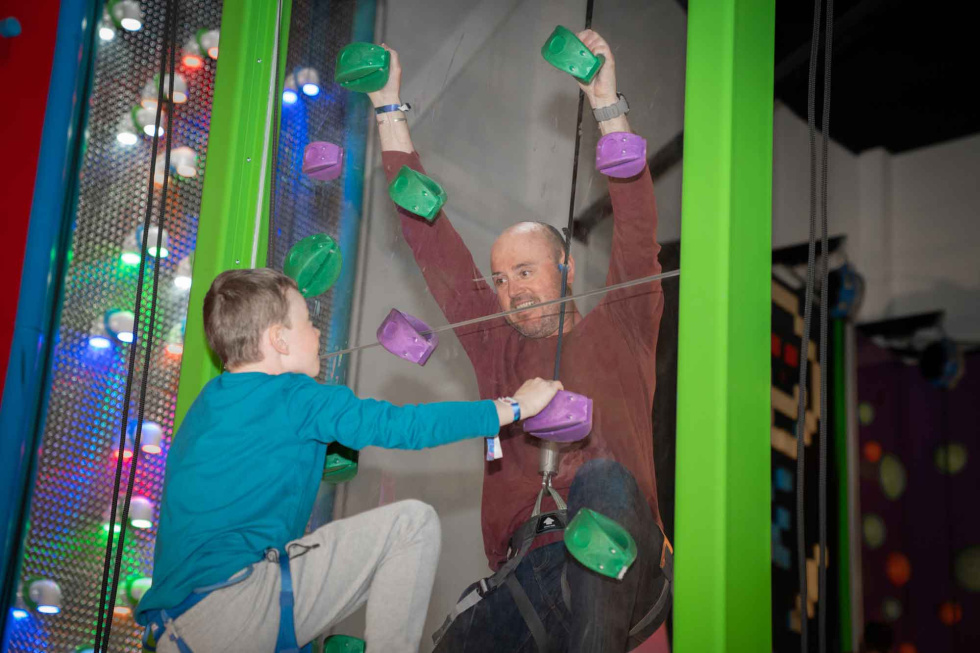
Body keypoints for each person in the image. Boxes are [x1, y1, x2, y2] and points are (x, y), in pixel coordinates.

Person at [369, 29, 671, 653]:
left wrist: (606, 100)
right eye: (501, 280)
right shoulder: (496, 351)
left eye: (525, 272)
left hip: (620, 570)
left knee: (603, 485)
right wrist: (387, 109)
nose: (511, 292)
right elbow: (435, 247)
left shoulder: (623, 327)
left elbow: (637, 227)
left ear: (564, 268)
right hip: (528, 581)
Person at [135, 268, 562, 653]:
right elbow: (402, 426)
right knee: (410, 525)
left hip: (176, 631)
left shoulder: (205, 407)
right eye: (308, 320)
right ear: (279, 339)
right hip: (240, 604)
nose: (318, 333)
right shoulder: (297, 396)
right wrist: (512, 408)